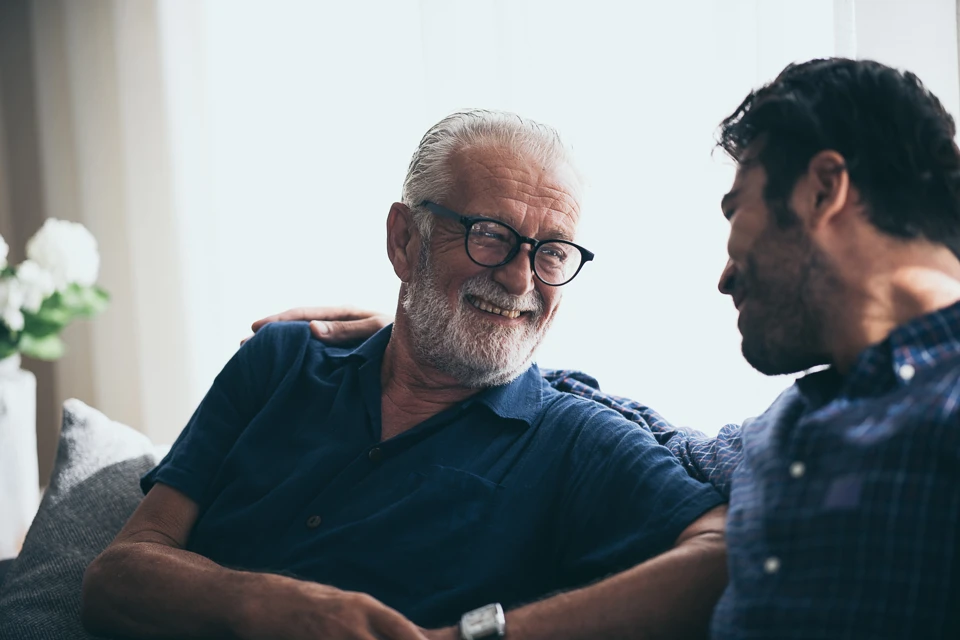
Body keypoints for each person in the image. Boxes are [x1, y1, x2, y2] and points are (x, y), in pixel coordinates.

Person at [263, 58, 960, 638]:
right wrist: (425, 331)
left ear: (823, 191)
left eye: (736, 208)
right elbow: (636, 436)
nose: (723, 276)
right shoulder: (786, 431)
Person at [81, 110, 727, 640]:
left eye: (552, 252)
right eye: (491, 235)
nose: (520, 278)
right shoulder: (281, 361)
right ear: (403, 241)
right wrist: (281, 609)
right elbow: (114, 578)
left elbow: (724, 555)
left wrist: (477, 637)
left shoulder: (574, 439)